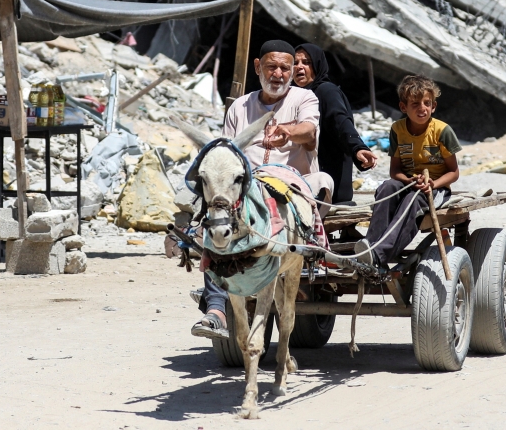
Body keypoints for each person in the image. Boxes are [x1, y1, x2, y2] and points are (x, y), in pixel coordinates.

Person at [192, 39, 332, 340]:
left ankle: (309, 245)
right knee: (215, 217)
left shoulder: (305, 98)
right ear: (258, 67)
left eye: (285, 68)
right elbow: (226, 155)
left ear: (293, 70)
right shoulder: (240, 107)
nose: (279, 74)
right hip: (248, 187)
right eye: (272, 67)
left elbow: (309, 132)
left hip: (293, 184)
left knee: (324, 182)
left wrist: (287, 131)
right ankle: (216, 308)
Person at [355, 75, 461, 268]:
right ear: (403, 107)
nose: (422, 108)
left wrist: (431, 185)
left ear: (433, 106)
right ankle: (369, 246)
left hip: (436, 188)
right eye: (415, 103)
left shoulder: (442, 131)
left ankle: (379, 255)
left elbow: (453, 173)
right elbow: (395, 172)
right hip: (409, 183)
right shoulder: (397, 129)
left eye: (427, 103)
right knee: (387, 188)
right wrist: (410, 180)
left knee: (412, 201)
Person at [292, 43, 377, 212]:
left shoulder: (325, 91)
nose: (299, 67)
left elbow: (341, 122)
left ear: (317, 65)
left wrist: (357, 148)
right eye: (295, 62)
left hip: (330, 183)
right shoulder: (295, 96)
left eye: (306, 62)